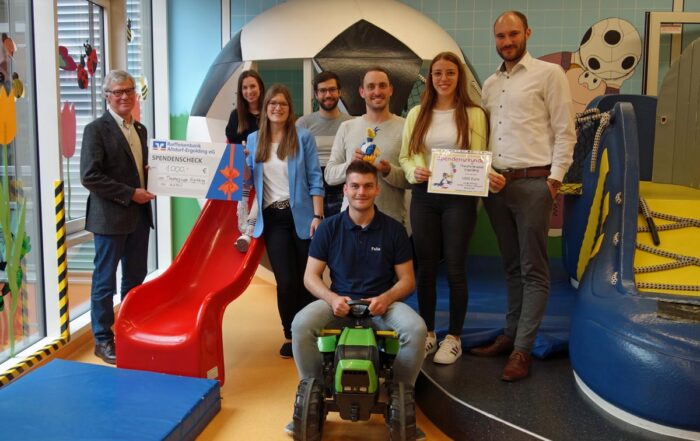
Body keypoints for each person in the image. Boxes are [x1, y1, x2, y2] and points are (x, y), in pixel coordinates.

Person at [470, 11, 576, 381]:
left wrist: (554, 179)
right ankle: (511, 334)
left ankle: (522, 350)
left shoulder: (550, 74)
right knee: (511, 266)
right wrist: (485, 173)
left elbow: (565, 130)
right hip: (497, 185)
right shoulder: (489, 84)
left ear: (527, 33)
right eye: (500, 36)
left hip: (534, 183)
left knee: (534, 269)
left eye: (513, 34)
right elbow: (486, 137)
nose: (507, 42)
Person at [289, 160, 426, 438]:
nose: (360, 192)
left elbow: (407, 280)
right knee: (301, 325)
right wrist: (332, 298)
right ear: (345, 190)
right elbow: (310, 277)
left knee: (416, 329)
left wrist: (386, 298)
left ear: (377, 189)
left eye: (367, 186)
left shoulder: (394, 230)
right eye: (354, 186)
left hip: (382, 305)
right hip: (339, 303)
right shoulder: (329, 228)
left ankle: (400, 400)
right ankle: (313, 397)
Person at [399, 52, 489, 365]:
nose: (443, 78)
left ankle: (454, 337)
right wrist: (415, 171)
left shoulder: (474, 114)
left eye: (450, 72)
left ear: (458, 77)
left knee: (455, 267)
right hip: (424, 196)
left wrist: (486, 175)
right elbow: (405, 157)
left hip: (460, 199)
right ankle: (428, 332)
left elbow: (480, 156)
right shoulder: (417, 113)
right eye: (437, 73)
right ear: (430, 78)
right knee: (425, 267)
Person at [80, 69, 155, 365]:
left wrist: (154, 175)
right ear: (107, 96)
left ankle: (128, 329)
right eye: (118, 92)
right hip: (109, 218)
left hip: (139, 217)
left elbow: (137, 169)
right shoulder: (95, 130)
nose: (124, 96)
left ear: (135, 94)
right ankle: (102, 338)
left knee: (135, 278)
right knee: (105, 281)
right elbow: (89, 176)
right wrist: (129, 193)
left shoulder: (140, 130)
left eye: (129, 90)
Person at [245, 84, 325, 358]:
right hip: (273, 218)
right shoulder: (254, 140)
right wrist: (241, 165)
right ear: (265, 108)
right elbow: (247, 181)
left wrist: (318, 215)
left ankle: (310, 332)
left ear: (290, 109)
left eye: (283, 104)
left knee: (309, 278)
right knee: (286, 280)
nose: (277, 108)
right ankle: (290, 334)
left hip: (302, 216)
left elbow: (315, 178)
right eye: (273, 103)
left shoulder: (302, 137)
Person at [325, 67, 408, 225]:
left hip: (391, 222)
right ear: (362, 92)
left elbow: (411, 181)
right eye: (371, 86)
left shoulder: (405, 127)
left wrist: (388, 171)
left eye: (382, 86)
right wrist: (351, 164)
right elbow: (330, 176)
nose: (377, 91)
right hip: (350, 223)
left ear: (390, 90)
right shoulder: (347, 127)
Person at [296, 71, 353, 218]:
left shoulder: (351, 124)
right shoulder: (303, 124)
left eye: (332, 89)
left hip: (342, 186)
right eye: (322, 90)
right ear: (316, 94)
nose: (328, 95)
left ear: (339, 92)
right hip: (312, 189)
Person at [224, 70, 265, 252]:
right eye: (245, 88)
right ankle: (243, 224)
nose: (249, 91)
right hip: (244, 168)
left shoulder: (269, 112)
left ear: (260, 87)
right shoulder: (236, 116)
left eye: (252, 86)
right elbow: (233, 149)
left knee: (263, 188)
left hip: (265, 167)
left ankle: (248, 231)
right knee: (245, 185)